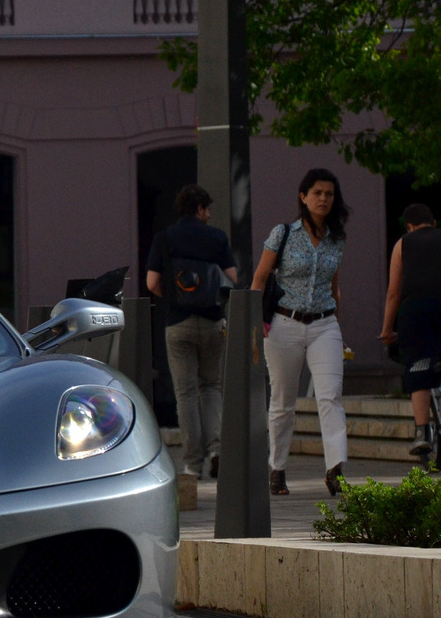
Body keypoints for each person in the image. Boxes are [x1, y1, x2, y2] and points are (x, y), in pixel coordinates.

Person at [249, 168, 350, 497]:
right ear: (303, 196)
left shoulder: (337, 238)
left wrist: (337, 317)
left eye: (329, 194)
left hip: (324, 324)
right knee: (282, 401)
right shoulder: (284, 233)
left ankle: (335, 468)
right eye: (317, 193)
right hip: (284, 324)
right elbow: (260, 278)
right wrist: (253, 322)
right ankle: (276, 468)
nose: (323, 199)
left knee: (330, 396)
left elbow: (334, 284)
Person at [145, 184, 237, 479]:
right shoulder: (217, 237)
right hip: (212, 322)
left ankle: (192, 464)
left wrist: (174, 298)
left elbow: (151, 282)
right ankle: (217, 451)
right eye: (207, 209)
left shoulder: (165, 238)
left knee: (185, 393)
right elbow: (232, 279)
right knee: (211, 387)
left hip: (178, 323)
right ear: (199, 209)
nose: (209, 215)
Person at [379, 205, 441, 457]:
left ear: (409, 226)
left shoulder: (402, 244)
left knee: (419, 365)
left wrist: (387, 329)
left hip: (417, 309)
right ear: (433, 223)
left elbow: (394, 294)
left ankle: (422, 432)